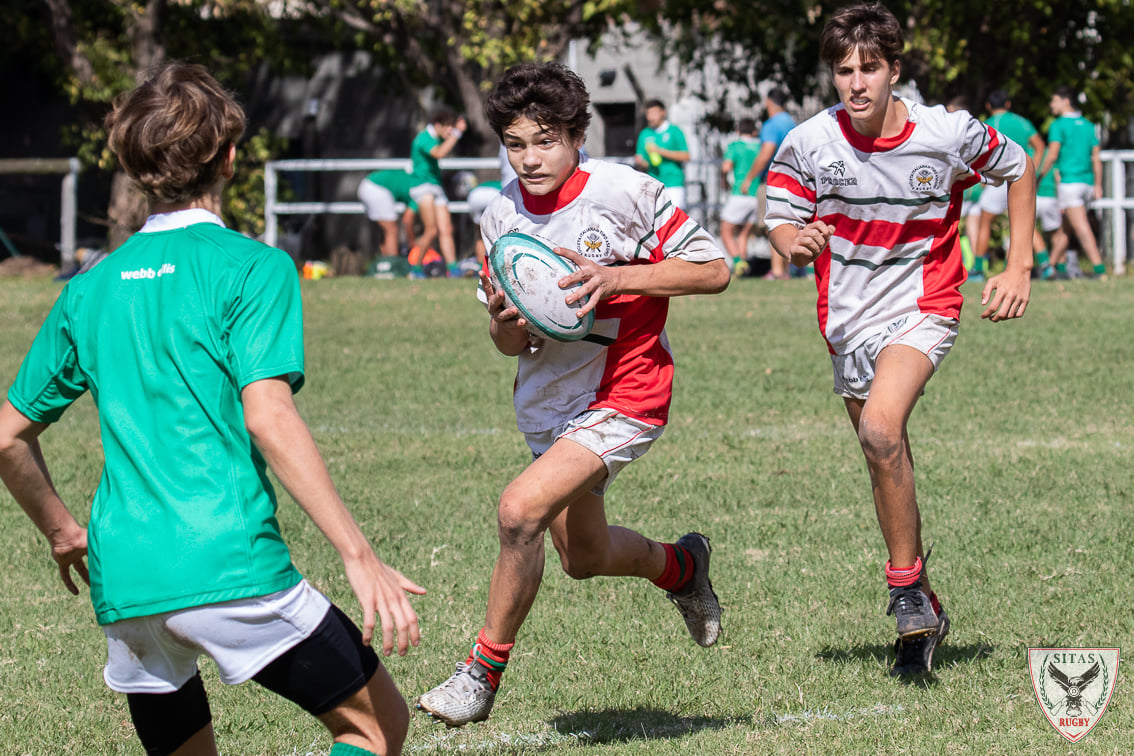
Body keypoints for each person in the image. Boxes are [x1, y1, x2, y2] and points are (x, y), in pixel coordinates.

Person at [0, 62, 424, 756]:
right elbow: (268, 415)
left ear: (135, 168)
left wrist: (59, 531)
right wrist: (359, 554)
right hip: (228, 563)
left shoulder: (88, 287)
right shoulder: (252, 267)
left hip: (125, 578)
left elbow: (8, 437)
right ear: (229, 158)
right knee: (376, 727)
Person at [415, 61, 729, 728]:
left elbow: (715, 270)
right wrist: (504, 324)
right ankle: (681, 567)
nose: (530, 158)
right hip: (548, 403)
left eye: (547, 139)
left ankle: (480, 674)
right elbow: (508, 345)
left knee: (518, 510)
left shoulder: (626, 192)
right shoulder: (499, 214)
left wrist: (617, 280)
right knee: (582, 558)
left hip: (627, 390)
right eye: (515, 142)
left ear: (578, 134)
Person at [765, 3, 1034, 676]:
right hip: (845, 318)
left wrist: (1020, 263)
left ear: (895, 69)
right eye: (843, 70)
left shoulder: (944, 133)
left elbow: (1019, 167)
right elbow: (781, 217)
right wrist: (794, 243)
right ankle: (924, 606)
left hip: (924, 303)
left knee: (882, 431)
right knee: (883, 455)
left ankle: (904, 590)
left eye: (870, 68)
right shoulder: (811, 142)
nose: (856, 84)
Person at [971, 89, 1046, 281]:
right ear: (1008, 104)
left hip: (998, 181)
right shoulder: (1022, 122)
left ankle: (978, 268)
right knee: (1024, 223)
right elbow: (1039, 146)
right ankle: (1046, 265)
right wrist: (1032, 172)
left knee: (985, 221)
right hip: (1020, 178)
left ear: (988, 106)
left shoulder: (988, 124)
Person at [1038, 86, 1107, 279]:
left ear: (1066, 101)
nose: (1052, 105)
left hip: (1069, 183)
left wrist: (1039, 176)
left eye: (1054, 100)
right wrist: (1098, 184)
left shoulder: (1058, 125)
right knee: (1065, 229)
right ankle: (1051, 268)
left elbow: (1051, 155)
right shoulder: (1088, 125)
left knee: (1081, 228)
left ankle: (1099, 270)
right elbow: (1096, 158)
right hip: (1086, 184)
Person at [740, 88, 797, 280]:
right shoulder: (791, 121)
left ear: (769, 103)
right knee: (788, 223)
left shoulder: (771, 124)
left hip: (774, 181)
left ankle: (777, 270)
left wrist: (749, 178)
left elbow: (766, 152)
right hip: (793, 179)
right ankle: (787, 270)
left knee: (772, 225)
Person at [410, 106, 468, 277]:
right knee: (431, 230)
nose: (450, 131)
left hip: (435, 186)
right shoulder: (424, 138)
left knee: (446, 228)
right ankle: (416, 268)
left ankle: (453, 269)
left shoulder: (435, 137)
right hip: (423, 187)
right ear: (437, 124)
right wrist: (457, 133)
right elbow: (439, 153)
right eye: (448, 126)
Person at [719, 116, 761, 275]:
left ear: (737, 131)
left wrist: (724, 181)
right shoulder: (760, 146)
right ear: (755, 131)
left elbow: (725, 167)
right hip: (755, 195)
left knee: (726, 231)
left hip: (739, 193)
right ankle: (743, 268)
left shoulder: (735, 146)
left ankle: (737, 262)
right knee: (743, 233)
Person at [634, 99, 690, 209]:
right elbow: (644, 163)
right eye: (648, 113)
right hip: (653, 184)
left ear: (663, 112)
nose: (650, 117)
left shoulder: (674, 131)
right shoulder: (644, 134)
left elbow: (686, 156)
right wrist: (641, 162)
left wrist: (660, 151)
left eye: (654, 112)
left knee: (674, 221)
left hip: (674, 183)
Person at [357, 168, 418, 258]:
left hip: (368, 184)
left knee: (385, 231)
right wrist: (412, 243)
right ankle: (392, 264)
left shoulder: (414, 181)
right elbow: (407, 221)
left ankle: (385, 262)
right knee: (392, 230)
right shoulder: (420, 193)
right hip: (376, 188)